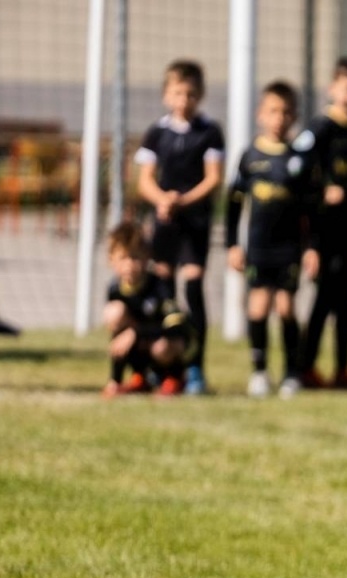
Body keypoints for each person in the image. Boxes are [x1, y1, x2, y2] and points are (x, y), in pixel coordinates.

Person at [135, 59, 224, 395]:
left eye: (190, 94)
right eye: (177, 93)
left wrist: (182, 200)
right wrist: (163, 200)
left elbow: (213, 178)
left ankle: (196, 366)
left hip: (194, 222)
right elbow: (145, 180)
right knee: (163, 291)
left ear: (200, 95)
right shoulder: (156, 133)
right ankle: (164, 367)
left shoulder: (209, 132)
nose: (183, 100)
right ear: (165, 95)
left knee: (194, 288)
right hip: (165, 223)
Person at [227, 81, 312, 399]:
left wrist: (312, 248)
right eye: (273, 111)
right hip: (259, 247)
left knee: (286, 307)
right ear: (260, 115)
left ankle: (291, 373)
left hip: (289, 247)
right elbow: (234, 204)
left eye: (286, 112)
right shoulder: (250, 156)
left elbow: (309, 209)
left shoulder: (299, 158)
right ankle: (260, 371)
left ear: (294, 117)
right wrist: (233, 245)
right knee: (259, 306)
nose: (279, 118)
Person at [297, 56, 347, 391]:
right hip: (324, 228)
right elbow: (298, 173)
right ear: (332, 89)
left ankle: (342, 369)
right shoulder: (319, 129)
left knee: (346, 298)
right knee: (324, 296)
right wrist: (321, 192)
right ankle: (306, 367)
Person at [102, 222, 187, 397]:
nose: (129, 264)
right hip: (140, 348)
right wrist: (114, 380)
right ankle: (134, 378)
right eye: (123, 258)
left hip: (162, 346)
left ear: (147, 256)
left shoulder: (159, 285)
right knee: (114, 313)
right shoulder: (114, 289)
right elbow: (118, 336)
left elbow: (177, 328)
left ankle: (173, 377)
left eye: (135, 257)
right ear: (111, 260)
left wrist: (135, 332)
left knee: (162, 346)